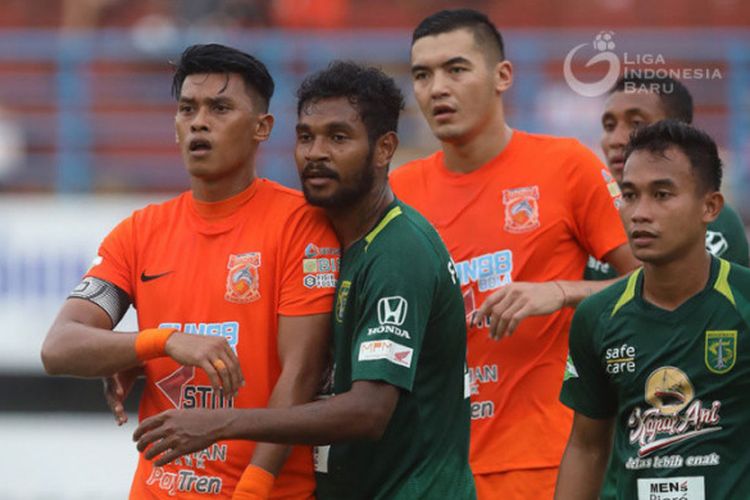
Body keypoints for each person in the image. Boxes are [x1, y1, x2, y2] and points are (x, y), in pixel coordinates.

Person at [132, 61, 476, 500]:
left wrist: (224, 422)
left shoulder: (398, 253)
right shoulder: (336, 239)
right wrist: (136, 355)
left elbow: (369, 412)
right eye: (305, 136)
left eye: (338, 137)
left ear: (385, 148)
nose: (315, 152)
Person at [41, 43, 339, 499]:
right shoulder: (139, 232)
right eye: (187, 108)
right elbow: (59, 347)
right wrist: (160, 342)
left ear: (262, 128)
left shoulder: (301, 225)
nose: (199, 121)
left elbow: (300, 374)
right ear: (175, 127)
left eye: (220, 108)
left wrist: (253, 489)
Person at [388, 8, 640, 499]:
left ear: (502, 75)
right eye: (422, 75)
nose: (437, 87)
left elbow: (656, 288)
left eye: (456, 69)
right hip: (431, 468)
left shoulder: (566, 166)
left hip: (544, 463)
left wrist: (560, 292)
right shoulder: (397, 193)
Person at [556, 119, 750, 499]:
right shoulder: (598, 317)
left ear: (710, 207)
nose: (639, 213)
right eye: (629, 195)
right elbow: (587, 448)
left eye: (661, 195)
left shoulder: (743, 301)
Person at [587, 75, 748, 280]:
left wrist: (565, 293)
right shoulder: (585, 209)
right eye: (609, 126)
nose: (615, 140)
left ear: (679, 131)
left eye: (636, 124)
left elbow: (672, 298)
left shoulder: (714, 221)